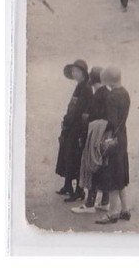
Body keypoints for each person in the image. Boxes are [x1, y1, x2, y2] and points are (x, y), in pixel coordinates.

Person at [94, 66, 132, 224]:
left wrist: (100, 129)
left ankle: (112, 213)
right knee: (120, 174)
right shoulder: (125, 93)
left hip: (112, 139)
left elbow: (111, 122)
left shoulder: (111, 97)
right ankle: (125, 209)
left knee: (112, 177)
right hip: (122, 137)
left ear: (108, 81)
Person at [72, 66, 110, 215]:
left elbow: (91, 117)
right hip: (107, 135)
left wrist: (85, 120)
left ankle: (90, 204)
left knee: (92, 166)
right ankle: (105, 201)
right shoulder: (108, 93)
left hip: (96, 136)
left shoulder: (97, 96)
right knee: (104, 166)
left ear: (92, 80)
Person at [55, 59, 93, 202]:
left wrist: (68, 122)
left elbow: (80, 111)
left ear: (83, 73)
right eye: (72, 71)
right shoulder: (79, 86)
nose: (74, 73)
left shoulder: (86, 88)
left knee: (75, 158)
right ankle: (68, 186)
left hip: (78, 128)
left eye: (76, 71)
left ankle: (79, 191)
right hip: (71, 126)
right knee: (67, 154)